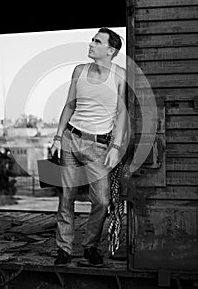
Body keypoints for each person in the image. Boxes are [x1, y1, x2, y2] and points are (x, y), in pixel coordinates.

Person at [50, 27, 127, 266]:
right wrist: (57, 137)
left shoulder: (120, 76)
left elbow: (122, 114)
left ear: (110, 50)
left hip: (99, 146)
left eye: (97, 41)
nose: (91, 44)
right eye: (92, 39)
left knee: (102, 200)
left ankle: (90, 246)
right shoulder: (79, 71)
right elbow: (69, 105)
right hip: (71, 140)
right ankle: (63, 249)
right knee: (66, 197)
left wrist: (115, 148)